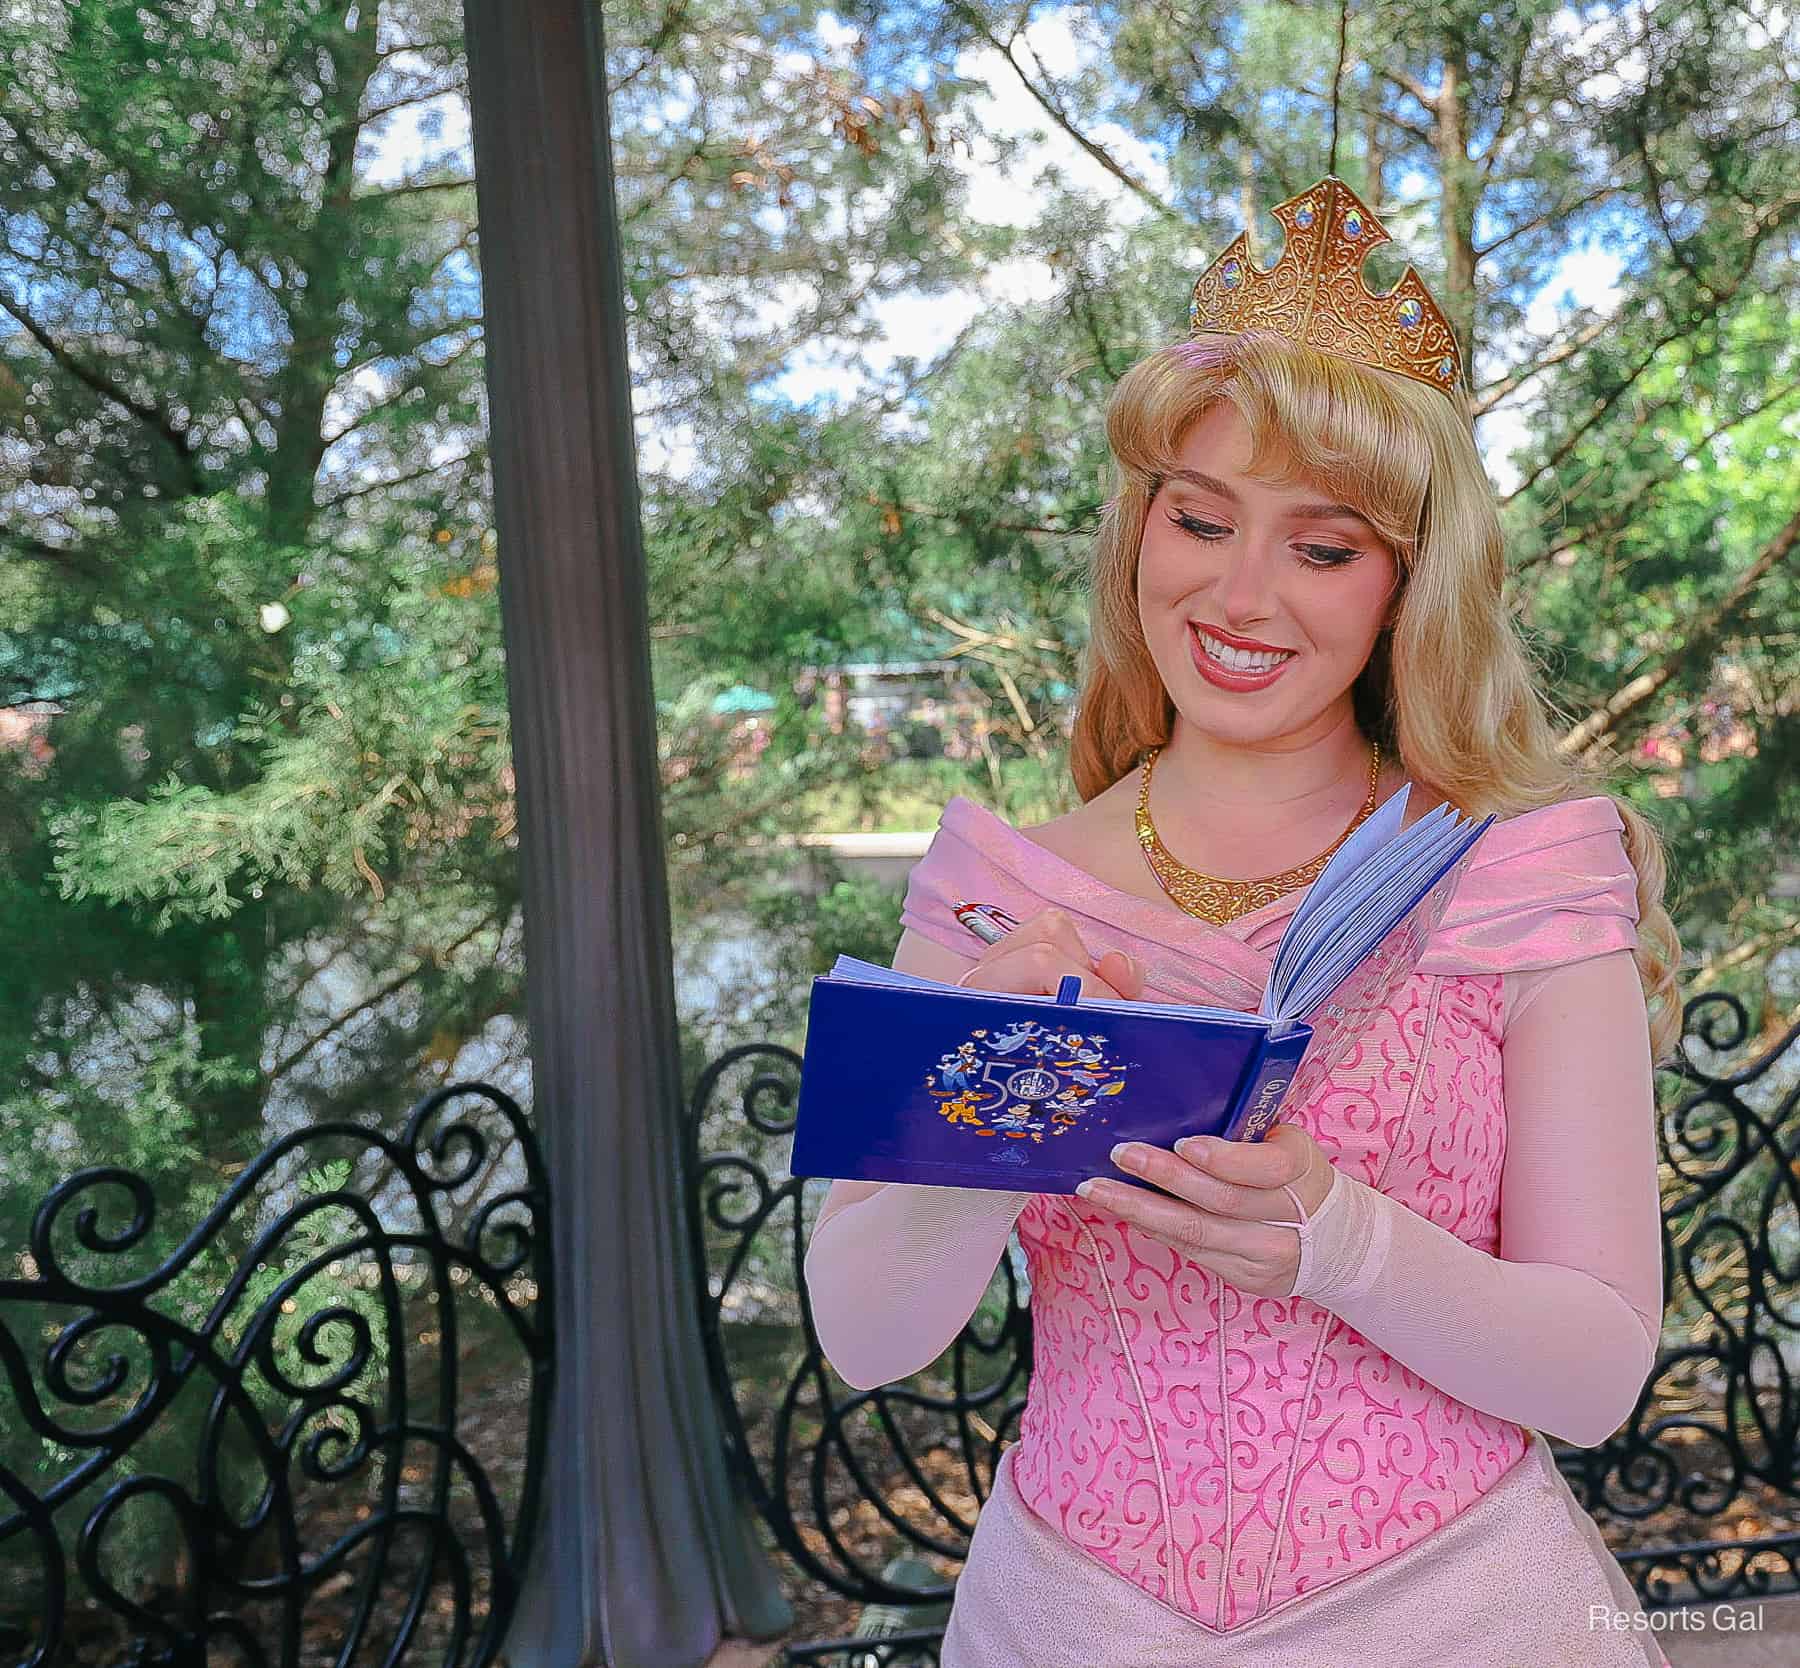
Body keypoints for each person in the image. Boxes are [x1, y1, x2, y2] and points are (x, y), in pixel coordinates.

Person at [802, 176, 1683, 1668]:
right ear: (1143, 532)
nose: (1242, 593)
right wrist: (984, 1107)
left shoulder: (1519, 864)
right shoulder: (990, 889)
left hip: (1460, 1617)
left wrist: (1337, 1241)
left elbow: (1596, 1373)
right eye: (1201, 520)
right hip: (1069, 1622)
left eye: (1323, 548)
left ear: (1409, 584)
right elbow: (864, 1336)